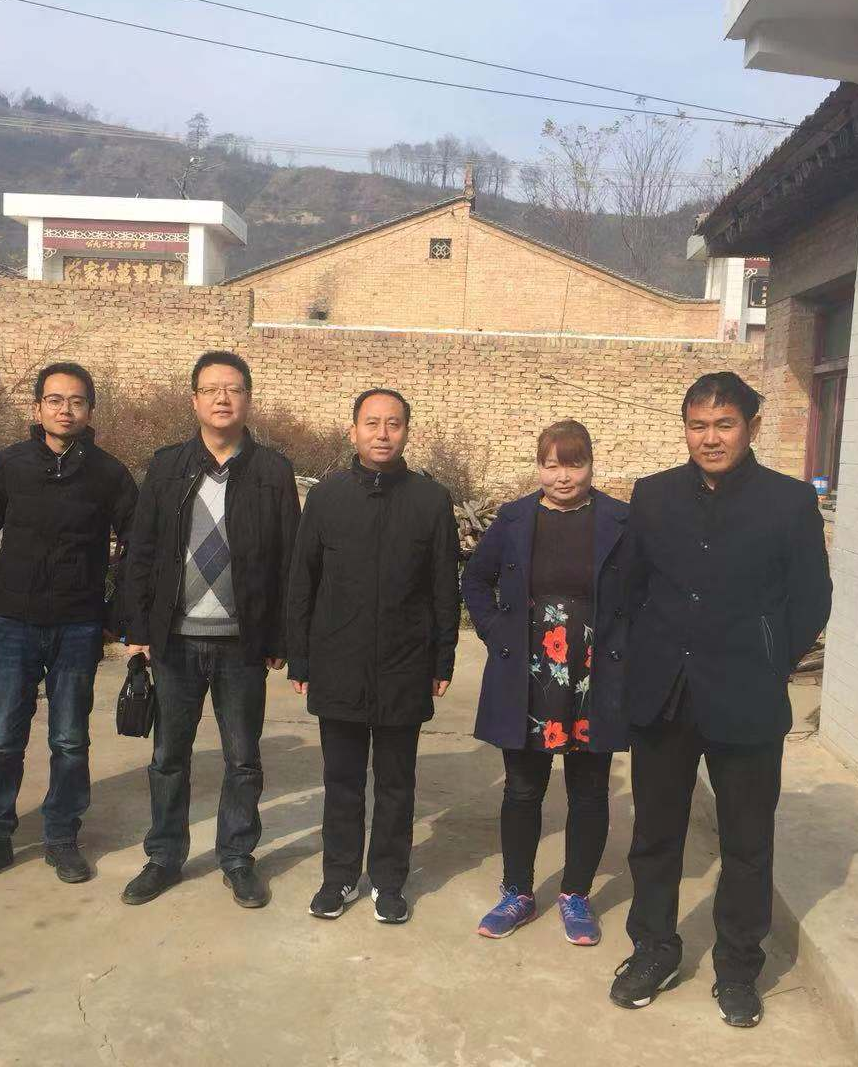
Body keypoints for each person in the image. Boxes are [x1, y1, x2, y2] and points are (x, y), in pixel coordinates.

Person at [608, 372, 832, 1028]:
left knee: (746, 843)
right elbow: (628, 589)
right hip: (665, 695)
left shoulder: (788, 502)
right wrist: (645, 658)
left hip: (746, 698)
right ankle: (653, 949)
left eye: (724, 424)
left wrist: (766, 660)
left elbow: (811, 598)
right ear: (685, 429)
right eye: (698, 425)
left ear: (751, 428)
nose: (710, 438)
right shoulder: (653, 496)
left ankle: (738, 969)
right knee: (655, 836)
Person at [119, 351, 301, 909]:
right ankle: (163, 856)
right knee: (168, 756)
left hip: (241, 644)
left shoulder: (272, 471)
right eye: (212, 389)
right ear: (194, 399)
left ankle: (237, 858)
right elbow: (141, 550)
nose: (223, 399)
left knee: (242, 759)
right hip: (174, 640)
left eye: (234, 389)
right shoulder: (167, 465)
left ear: (248, 399)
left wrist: (280, 637)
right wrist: (137, 627)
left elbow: (289, 559)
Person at [0, 363, 138, 889]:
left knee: (70, 738)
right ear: (37, 408)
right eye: (54, 400)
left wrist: (114, 611)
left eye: (76, 401)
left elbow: (137, 542)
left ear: (90, 410)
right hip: (13, 623)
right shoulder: (10, 465)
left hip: (78, 626)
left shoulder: (108, 474)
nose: (65, 410)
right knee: (3, 735)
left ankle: (61, 836)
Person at [286, 388, 461, 924]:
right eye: (371, 423)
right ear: (353, 430)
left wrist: (442, 659)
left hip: (405, 664)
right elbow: (303, 581)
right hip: (338, 661)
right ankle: (338, 877)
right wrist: (301, 657)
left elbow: (443, 587)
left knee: (395, 784)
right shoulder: (327, 497)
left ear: (406, 431)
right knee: (341, 781)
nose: (382, 433)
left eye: (393, 423)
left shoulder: (431, 501)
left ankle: (388, 880)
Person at [462, 420, 631, 946]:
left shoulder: (620, 521)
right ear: (538, 466)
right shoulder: (514, 519)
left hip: (594, 673)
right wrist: (496, 631)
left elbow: (644, 591)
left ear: (591, 465)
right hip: (528, 674)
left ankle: (575, 894)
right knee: (522, 787)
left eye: (574, 464)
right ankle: (517, 892)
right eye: (552, 464)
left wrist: (628, 647)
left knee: (589, 790)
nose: (563, 477)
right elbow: (475, 578)